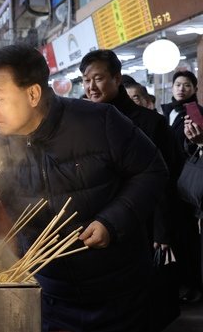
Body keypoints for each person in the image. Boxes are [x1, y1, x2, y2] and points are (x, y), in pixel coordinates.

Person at [0, 43, 168, 331]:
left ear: (33, 94)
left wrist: (111, 222)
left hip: (118, 289)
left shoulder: (99, 122)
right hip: (46, 288)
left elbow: (152, 171)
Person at [79, 49, 180, 330]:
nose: (91, 87)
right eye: (86, 80)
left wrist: (162, 231)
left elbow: (163, 180)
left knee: (136, 304)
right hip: (95, 223)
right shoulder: (80, 120)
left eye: (99, 78)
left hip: (139, 224)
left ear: (117, 78)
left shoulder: (150, 123)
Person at [161, 70, 203, 303]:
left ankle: (192, 284)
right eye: (178, 84)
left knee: (187, 237)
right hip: (167, 182)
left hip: (186, 183)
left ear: (195, 89)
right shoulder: (165, 112)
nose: (181, 89)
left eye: (187, 85)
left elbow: (194, 149)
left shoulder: (195, 113)